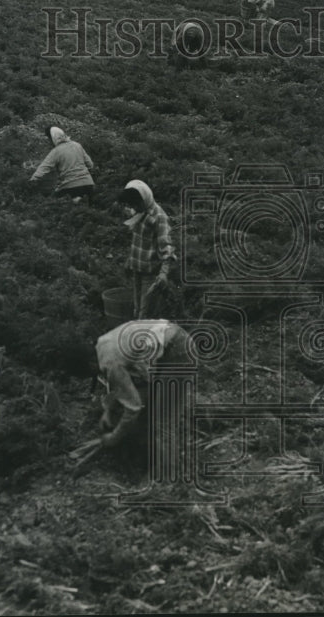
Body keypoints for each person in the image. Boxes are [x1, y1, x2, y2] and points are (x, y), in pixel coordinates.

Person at [92, 319, 190, 448]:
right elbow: (135, 385)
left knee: (164, 425)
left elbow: (134, 407)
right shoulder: (102, 344)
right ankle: (147, 448)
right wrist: (109, 411)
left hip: (176, 349)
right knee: (152, 403)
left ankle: (168, 467)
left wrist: (114, 437)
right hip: (172, 338)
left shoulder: (110, 364)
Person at [118, 179, 177, 319]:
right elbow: (138, 240)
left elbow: (167, 247)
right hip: (137, 269)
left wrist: (163, 273)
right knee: (137, 306)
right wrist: (129, 261)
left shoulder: (159, 217)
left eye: (136, 204)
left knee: (145, 312)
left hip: (150, 274)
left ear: (145, 200)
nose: (133, 208)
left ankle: (144, 338)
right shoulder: (138, 212)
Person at [28, 125, 95, 203]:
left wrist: (31, 181)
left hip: (70, 187)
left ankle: (75, 201)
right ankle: (79, 201)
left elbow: (43, 168)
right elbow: (90, 165)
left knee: (51, 203)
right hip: (89, 185)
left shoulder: (56, 151)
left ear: (53, 139)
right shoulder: (77, 145)